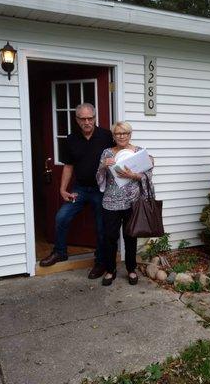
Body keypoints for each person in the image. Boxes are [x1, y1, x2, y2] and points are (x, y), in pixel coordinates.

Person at [39, 103, 114, 280]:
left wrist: (140, 154)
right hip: (79, 189)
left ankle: (101, 261)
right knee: (62, 217)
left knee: (101, 226)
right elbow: (68, 166)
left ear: (95, 118)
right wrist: (62, 189)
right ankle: (60, 252)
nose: (87, 122)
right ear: (77, 119)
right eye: (83, 118)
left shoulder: (106, 136)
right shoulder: (71, 139)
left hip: (101, 189)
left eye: (90, 118)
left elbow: (122, 148)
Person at [96, 121, 154, 286]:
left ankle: (131, 269)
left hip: (132, 202)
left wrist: (135, 176)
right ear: (113, 136)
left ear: (130, 135)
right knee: (110, 238)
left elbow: (148, 175)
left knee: (130, 237)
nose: (121, 136)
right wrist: (102, 165)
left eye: (125, 133)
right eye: (118, 133)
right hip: (111, 202)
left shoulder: (139, 152)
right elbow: (99, 178)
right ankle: (110, 270)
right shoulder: (107, 153)